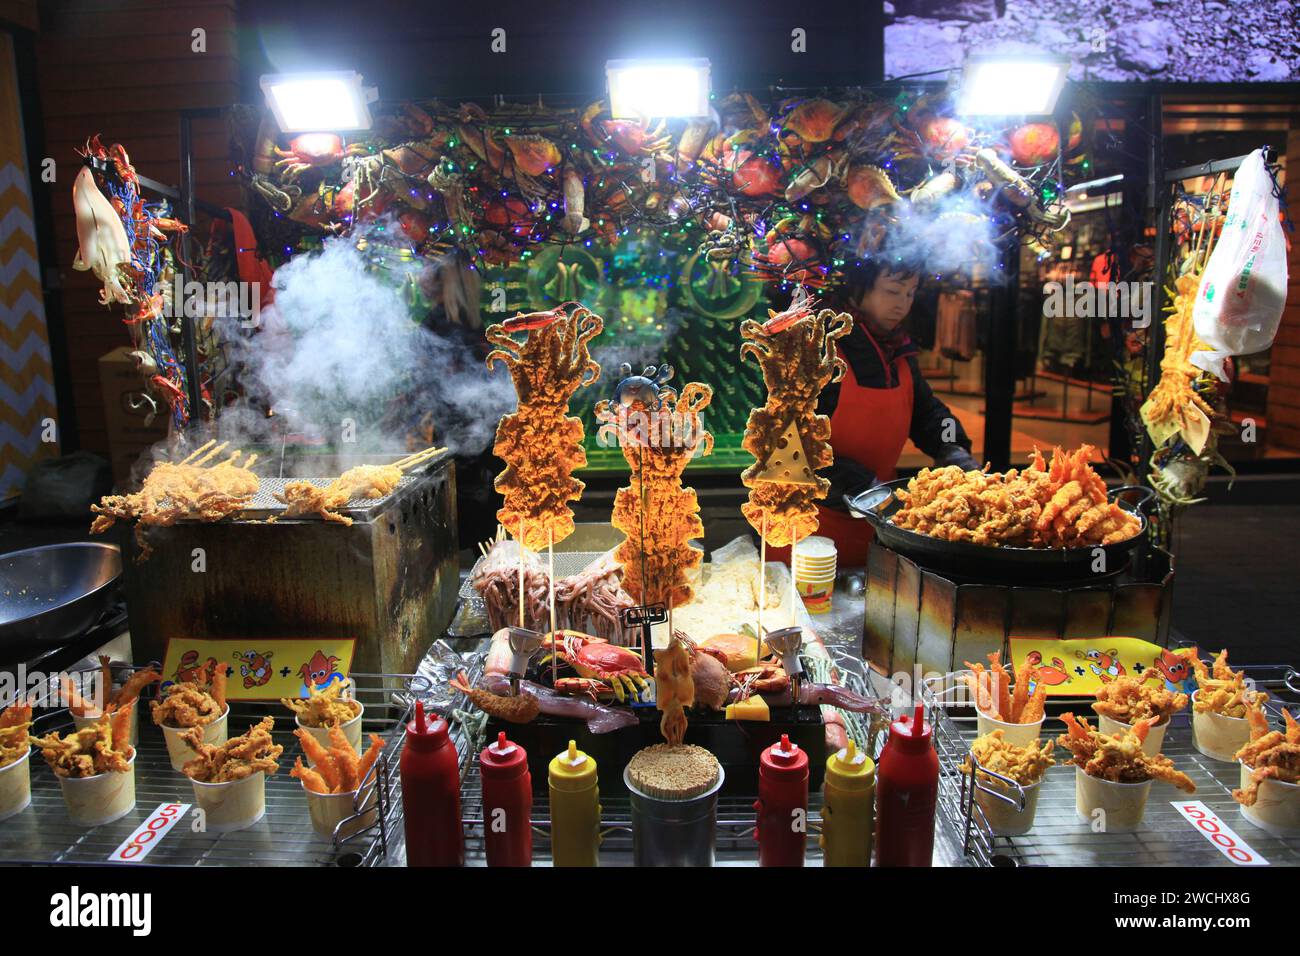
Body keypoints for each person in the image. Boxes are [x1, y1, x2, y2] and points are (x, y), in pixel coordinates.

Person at [809, 257, 978, 566]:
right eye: (892, 291)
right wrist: (858, 485)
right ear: (857, 290)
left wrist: (952, 446)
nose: (902, 305)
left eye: (911, 293)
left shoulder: (898, 351)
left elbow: (927, 412)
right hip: (813, 525)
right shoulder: (823, 349)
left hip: (881, 520)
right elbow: (794, 443)